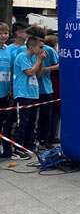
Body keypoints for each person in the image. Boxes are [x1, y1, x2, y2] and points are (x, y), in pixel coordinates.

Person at [13, 36, 45, 155]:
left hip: (33, 93)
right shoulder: (22, 56)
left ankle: (28, 145)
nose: (41, 49)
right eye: (40, 47)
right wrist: (38, 60)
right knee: (23, 121)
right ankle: (17, 148)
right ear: (31, 46)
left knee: (32, 121)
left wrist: (40, 61)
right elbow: (29, 72)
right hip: (23, 93)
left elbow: (39, 74)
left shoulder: (34, 58)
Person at [0, 23, 14, 159]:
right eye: (1, 33)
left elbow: (10, 70)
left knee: (5, 123)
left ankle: (6, 150)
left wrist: (11, 88)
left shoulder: (8, 50)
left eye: (6, 33)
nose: (4, 36)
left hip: (4, 93)